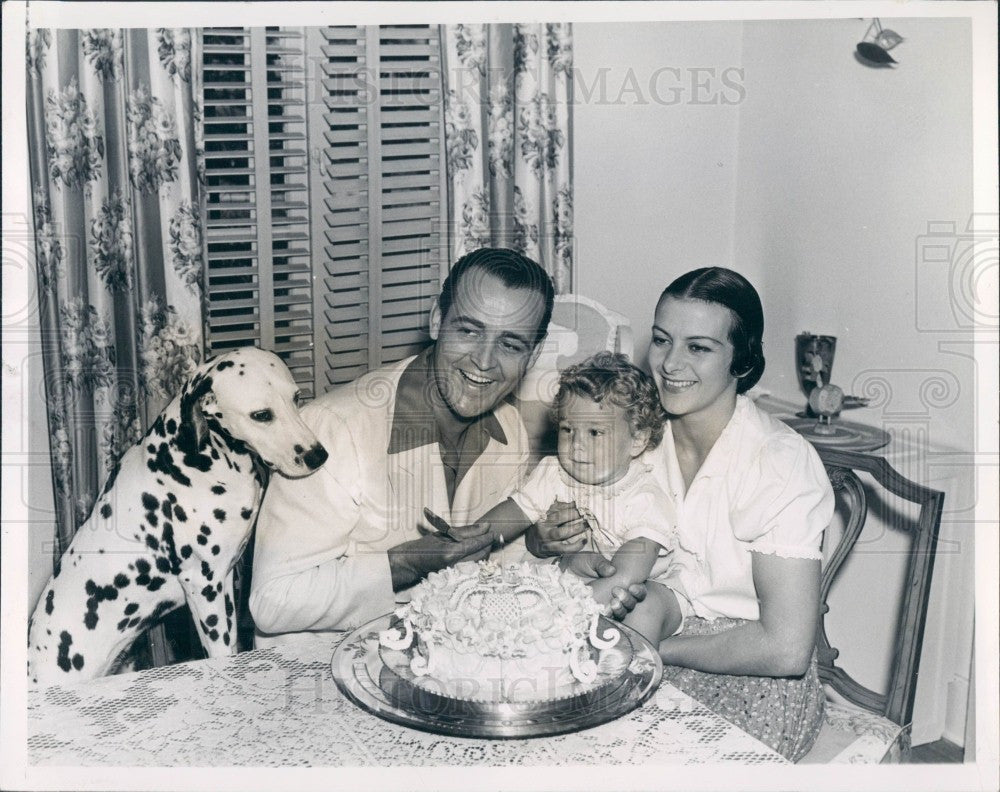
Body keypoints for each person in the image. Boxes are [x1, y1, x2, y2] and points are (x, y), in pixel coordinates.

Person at [527, 267, 835, 762]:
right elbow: (588, 556)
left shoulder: (779, 463)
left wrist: (656, 652)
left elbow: (785, 649)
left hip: (749, 675)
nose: (671, 364)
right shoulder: (634, 438)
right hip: (641, 635)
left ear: (743, 360)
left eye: (699, 347)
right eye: (664, 340)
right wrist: (551, 543)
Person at [249, 247, 555, 643]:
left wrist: (536, 545)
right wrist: (406, 563)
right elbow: (272, 602)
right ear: (436, 320)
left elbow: (496, 571)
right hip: (321, 678)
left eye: (510, 344)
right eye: (468, 330)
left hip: (446, 674)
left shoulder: (509, 426)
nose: (484, 361)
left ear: (534, 352)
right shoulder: (331, 429)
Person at [428, 351, 681, 645]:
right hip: (585, 574)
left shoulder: (645, 497)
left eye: (595, 433)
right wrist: (474, 536)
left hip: (646, 584)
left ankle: (627, 674)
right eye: (568, 430)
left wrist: (562, 610)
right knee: (522, 583)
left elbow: (624, 577)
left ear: (636, 440)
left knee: (643, 610)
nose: (577, 446)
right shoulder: (555, 473)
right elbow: (516, 511)